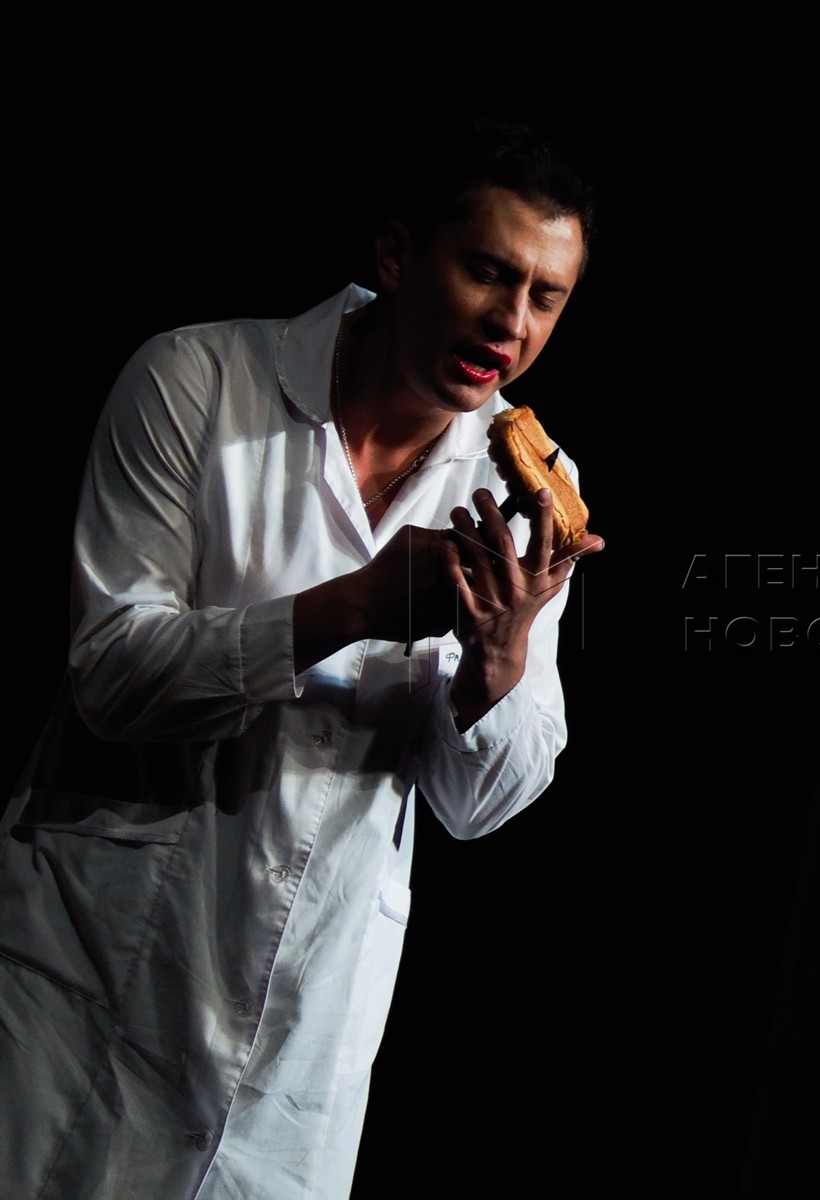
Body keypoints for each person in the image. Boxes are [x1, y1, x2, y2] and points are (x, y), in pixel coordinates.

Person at [0, 120, 601, 1199]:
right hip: (90, 996)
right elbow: (112, 678)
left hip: (298, 1061)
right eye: (486, 272)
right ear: (396, 254)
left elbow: (482, 807)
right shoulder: (196, 382)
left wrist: (498, 664)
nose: (511, 324)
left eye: (545, 298)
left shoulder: (527, 487)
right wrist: (356, 605)